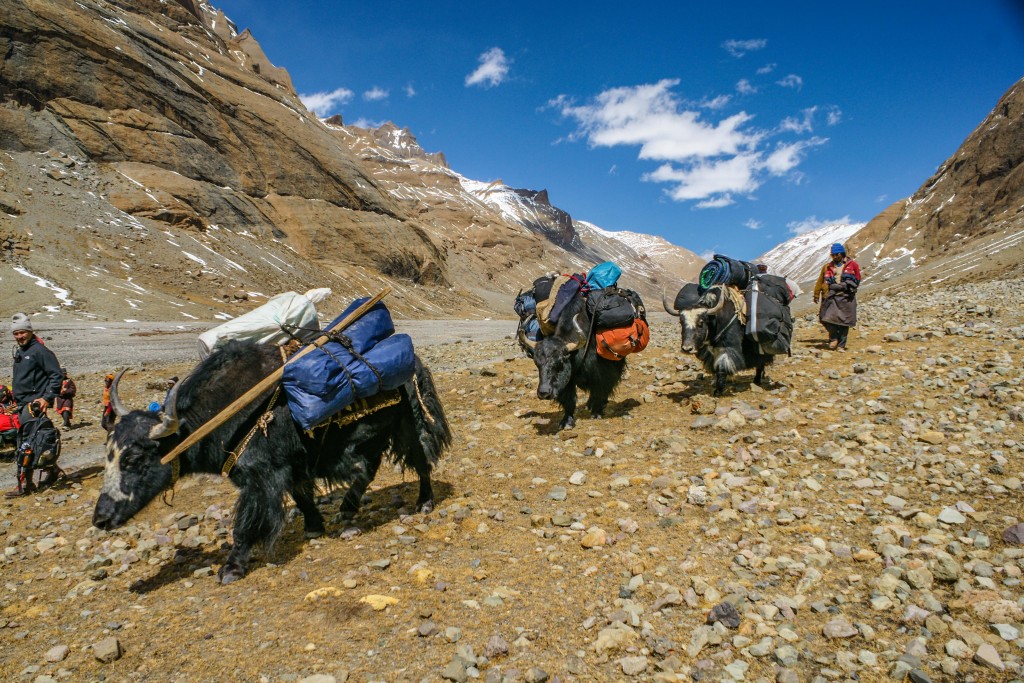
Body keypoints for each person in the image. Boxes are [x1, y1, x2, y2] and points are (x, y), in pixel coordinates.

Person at [6, 313, 64, 496]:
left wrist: (46, 398)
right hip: (22, 404)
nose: (19, 336)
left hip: (34, 405)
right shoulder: (21, 351)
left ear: (30, 331)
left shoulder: (40, 351)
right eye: (16, 334)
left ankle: (25, 485)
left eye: (22, 333)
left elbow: (56, 376)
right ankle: (50, 472)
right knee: (30, 442)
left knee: (27, 444)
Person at [818, 243, 861, 351]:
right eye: (833, 255)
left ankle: (841, 345)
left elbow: (857, 278)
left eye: (837, 254)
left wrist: (845, 285)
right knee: (825, 317)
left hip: (846, 296)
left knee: (844, 321)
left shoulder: (852, 264)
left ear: (842, 254)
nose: (835, 257)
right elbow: (824, 280)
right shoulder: (829, 266)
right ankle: (833, 338)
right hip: (833, 295)